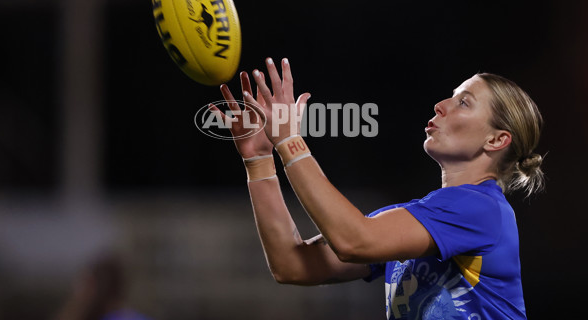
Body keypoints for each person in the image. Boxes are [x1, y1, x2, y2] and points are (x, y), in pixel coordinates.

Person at [211, 58, 544, 319]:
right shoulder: (413, 221)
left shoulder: (482, 209)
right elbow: (290, 265)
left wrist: (288, 140)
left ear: (497, 139)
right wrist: (259, 160)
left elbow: (354, 240)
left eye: (464, 103)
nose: (440, 105)